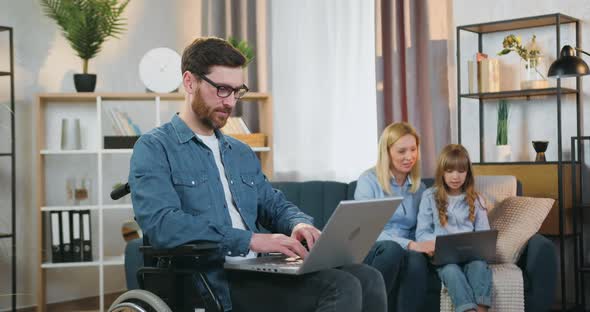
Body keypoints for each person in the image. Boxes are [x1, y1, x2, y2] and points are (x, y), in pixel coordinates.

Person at [128, 36, 386, 312]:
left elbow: (272, 203)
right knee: (340, 286)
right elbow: (163, 224)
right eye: (222, 89)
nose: (230, 102)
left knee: (368, 277)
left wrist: (298, 224)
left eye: (236, 91)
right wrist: (250, 240)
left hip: (257, 269)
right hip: (212, 280)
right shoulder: (155, 147)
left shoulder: (239, 151)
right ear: (190, 82)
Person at [354, 122, 433, 312]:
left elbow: (420, 229)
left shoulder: (419, 188)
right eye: (401, 151)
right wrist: (410, 244)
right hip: (376, 247)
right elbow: (366, 231)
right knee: (392, 250)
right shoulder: (368, 181)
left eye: (413, 149)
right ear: (387, 152)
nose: (409, 156)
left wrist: (429, 243)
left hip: (408, 249)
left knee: (417, 259)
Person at [416, 144, 492, 312]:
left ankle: (481, 309)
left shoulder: (476, 198)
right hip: (444, 258)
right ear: (442, 172)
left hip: (472, 256)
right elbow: (421, 233)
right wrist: (433, 246)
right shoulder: (429, 196)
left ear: (468, 173)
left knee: (479, 267)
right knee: (451, 272)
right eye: (449, 171)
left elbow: (484, 234)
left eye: (461, 171)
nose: (455, 176)